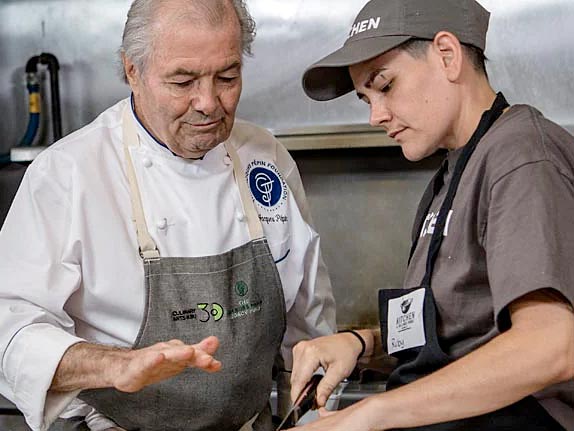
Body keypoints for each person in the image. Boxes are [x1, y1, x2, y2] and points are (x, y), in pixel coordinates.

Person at [0, 0, 336, 430]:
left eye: (228, 77)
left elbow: (310, 327)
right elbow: (11, 332)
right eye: (183, 81)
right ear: (132, 70)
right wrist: (113, 366)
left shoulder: (265, 158)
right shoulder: (69, 174)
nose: (209, 103)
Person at [288, 0, 574, 430]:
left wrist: (372, 415)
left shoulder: (522, 154)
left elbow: (551, 345)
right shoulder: (452, 174)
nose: (375, 116)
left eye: (384, 86)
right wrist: (361, 344)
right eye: (366, 98)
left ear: (447, 55)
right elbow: (457, 329)